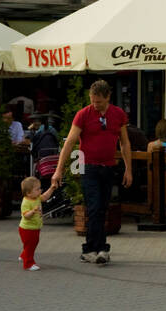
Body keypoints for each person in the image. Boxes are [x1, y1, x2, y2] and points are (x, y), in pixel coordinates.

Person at [51, 79, 132, 266]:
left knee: (102, 208)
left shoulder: (118, 114)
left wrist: (129, 168)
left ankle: (95, 248)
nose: (95, 105)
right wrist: (59, 170)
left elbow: (124, 142)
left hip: (108, 166)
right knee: (94, 207)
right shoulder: (83, 115)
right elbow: (70, 142)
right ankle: (95, 248)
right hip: (88, 166)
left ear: (108, 97)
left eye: (99, 102)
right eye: (93, 101)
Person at [18, 176, 56, 271]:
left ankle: (23, 255)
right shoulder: (26, 202)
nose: (40, 190)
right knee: (30, 246)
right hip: (27, 229)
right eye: (37, 189)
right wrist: (33, 211)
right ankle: (28, 264)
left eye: (40, 188)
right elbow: (26, 215)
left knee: (33, 244)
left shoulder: (37, 197)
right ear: (29, 193)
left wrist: (52, 188)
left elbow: (45, 196)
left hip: (35, 227)